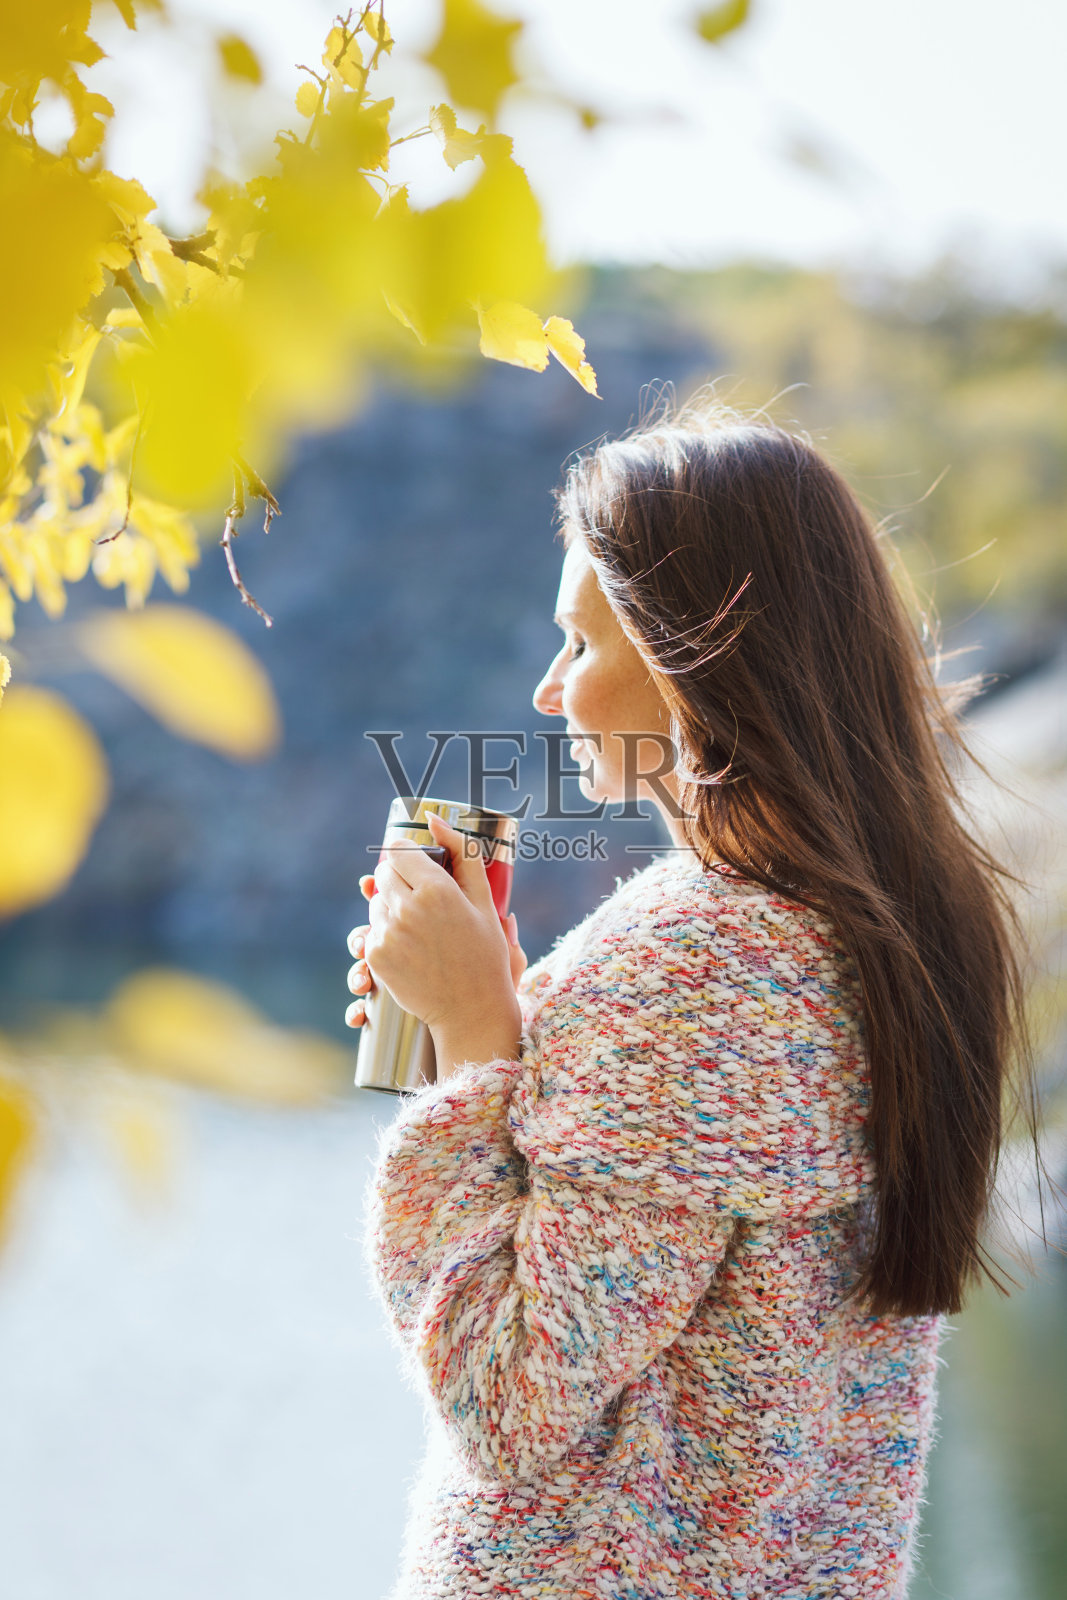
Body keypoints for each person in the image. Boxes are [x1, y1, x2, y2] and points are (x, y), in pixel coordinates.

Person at [344, 398, 1047, 1599]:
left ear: (695, 654)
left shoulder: (690, 963)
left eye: (581, 640)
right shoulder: (895, 925)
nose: (550, 687)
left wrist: (471, 1038)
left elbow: (510, 1400)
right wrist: (515, 1033)